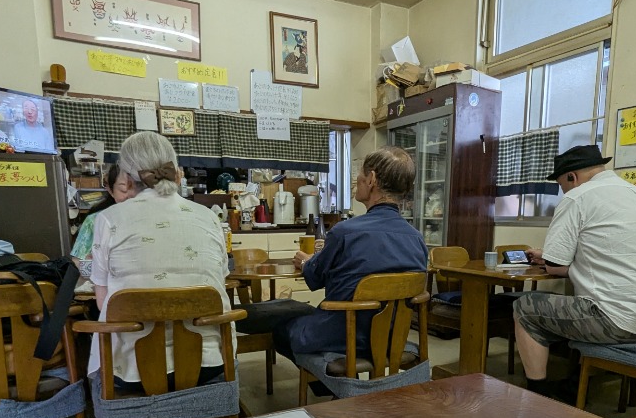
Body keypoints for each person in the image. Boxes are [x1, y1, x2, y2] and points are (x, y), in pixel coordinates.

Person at [513, 144, 636, 400]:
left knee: (526, 307)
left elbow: (553, 262)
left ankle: (539, 395)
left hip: (622, 323)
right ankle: (575, 383)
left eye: (563, 185)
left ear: (572, 177)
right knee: (577, 304)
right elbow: (610, 260)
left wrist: (547, 258)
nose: (564, 191)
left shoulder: (578, 196)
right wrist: (551, 259)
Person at [237, 146, 428, 365]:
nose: (357, 181)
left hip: (342, 335)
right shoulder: (417, 239)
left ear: (372, 179)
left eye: (361, 177)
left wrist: (308, 262)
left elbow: (316, 278)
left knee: (283, 330)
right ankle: (341, 386)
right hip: (392, 337)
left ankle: (330, 382)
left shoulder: (345, 232)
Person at [89, 133, 233, 391]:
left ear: (126, 177)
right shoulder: (209, 217)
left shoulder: (109, 219)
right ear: (175, 171)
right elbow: (217, 284)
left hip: (133, 370)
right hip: (210, 362)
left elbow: (104, 303)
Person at [71, 164, 136, 280]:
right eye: (123, 190)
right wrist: (90, 263)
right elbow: (77, 261)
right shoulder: (95, 220)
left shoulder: (150, 217)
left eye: (136, 189)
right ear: (111, 190)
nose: (130, 195)